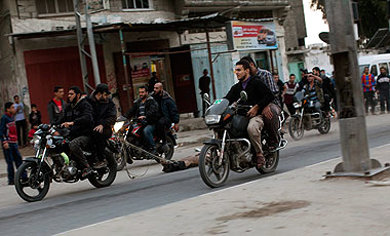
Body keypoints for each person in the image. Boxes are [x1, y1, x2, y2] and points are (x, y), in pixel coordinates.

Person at [225, 60, 274, 168]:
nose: (236, 72)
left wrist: (257, 107)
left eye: (239, 70)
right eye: (235, 70)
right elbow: (227, 99)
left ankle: (259, 154)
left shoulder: (256, 82)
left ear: (247, 71)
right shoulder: (236, 87)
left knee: (251, 128)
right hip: (241, 116)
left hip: (257, 115)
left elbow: (269, 95)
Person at [240, 56, 281, 150]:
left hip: (271, 103)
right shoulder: (247, 79)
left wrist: (265, 105)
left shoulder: (265, 74)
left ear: (251, 65)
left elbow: (273, 92)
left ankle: (274, 140)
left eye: (246, 68)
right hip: (254, 105)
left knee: (269, 113)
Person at [61, 86, 94, 178]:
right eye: (68, 94)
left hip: (85, 134)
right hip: (73, 134)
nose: (69, 96)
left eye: (71, 94)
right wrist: (49, 125)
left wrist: (73, 123)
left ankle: (87, 167)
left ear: (78, 95)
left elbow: (88, 117)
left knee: (73, 144)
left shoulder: (84, 105)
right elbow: (61, 119)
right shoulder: (68, 107)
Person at [87, 84, 117, 166]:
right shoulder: (88, 101)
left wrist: (102, 124)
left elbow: (113, 117)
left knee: (97, 134)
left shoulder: (109, 102)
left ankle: (101, 159)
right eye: (105, 94)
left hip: (105, 127)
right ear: (99, 94)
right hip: (90, 126)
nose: (107, 96)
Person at [125, 86, 160, 154]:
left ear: (147, 92)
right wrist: (123, 117)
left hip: (150, 122)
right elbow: (131, 111)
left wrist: (145, 116)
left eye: (142, 92)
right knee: (131, 131)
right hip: (140, 123)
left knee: (146, 131)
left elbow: (153, 111)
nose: (141, 94)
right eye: (140, 92)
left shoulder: (151, 101)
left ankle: (153, 148)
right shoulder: (138, 102)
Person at [0, 102, 23, 185]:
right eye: (12, 107)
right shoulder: (4, 118)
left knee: (19, 160)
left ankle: (23, 177)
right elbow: (1, 131)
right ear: (8, 109)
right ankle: (11, 179)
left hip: (14, 142)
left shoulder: (12, 117)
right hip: (8, 143)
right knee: (10, 162)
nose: (14, 109)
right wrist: (4, 141)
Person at [152, 83, 179, 149]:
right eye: (154, 88)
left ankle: (164, 142)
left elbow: (174, 111)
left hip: (166, 118)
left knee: (160, 123)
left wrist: (176, 122)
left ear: (161, 89)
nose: (154, 90)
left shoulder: (167, 98)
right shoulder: (152, 97)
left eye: (157, 88)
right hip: (156, 117)